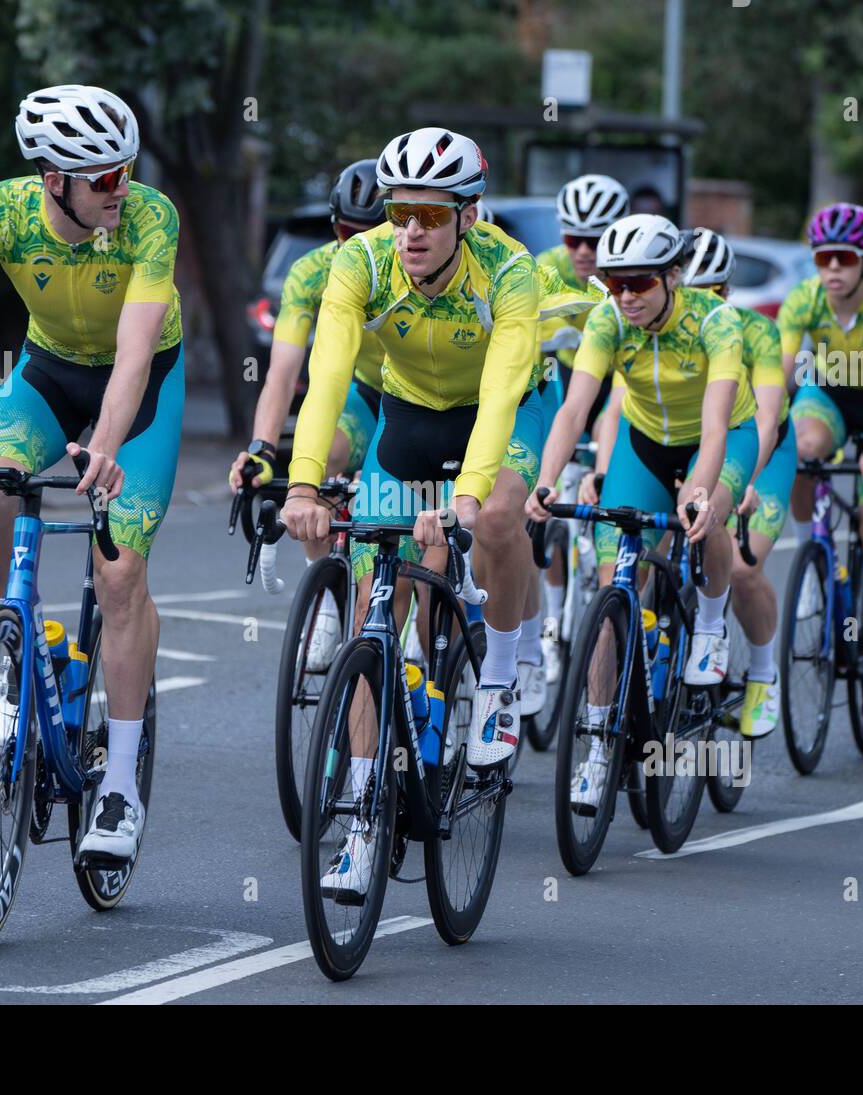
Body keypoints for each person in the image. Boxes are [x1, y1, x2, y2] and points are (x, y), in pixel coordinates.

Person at [0, 85, 182, 858]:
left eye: (127, 169)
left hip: (142, 385)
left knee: (117, 577)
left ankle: (118, 782)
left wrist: (107, 446)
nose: (124, 188)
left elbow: (135, 353)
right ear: (54, 180)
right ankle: (33, 639)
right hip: (48, 373)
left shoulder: (151, 218)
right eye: (105, 179)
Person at [279, 127, 549, 896]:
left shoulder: (511, 271)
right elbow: (327, 373)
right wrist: (302, 484)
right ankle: (364, 817)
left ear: (469, 216)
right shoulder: (358, 262)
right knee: (373, 612)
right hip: (406, 419)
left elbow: (501, 389)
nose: (410, 232)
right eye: (401, 214)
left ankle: (497, 684)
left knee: (497, 515)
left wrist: (464, 496)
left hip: (494, 418)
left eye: (430, 217)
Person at [529, 213, 758, 812]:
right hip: (644, 445)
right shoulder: (606, 319)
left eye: (639, 284)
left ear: (671, 276)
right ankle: (600, 749)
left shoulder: (716, 321)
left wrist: (701, 493)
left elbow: (713, 430)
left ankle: (709, 625)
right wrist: (547, 481)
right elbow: (574, 411)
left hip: (724, 437)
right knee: (613, 595)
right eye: (614, 283)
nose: (624, 296)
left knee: (705, 516)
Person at [227, 160, 387, 669]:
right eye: (345, 232)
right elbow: (281, 373)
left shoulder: (412, 267)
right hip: (364, 394)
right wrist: (261, 448)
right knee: (321, 465)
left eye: (370, 234)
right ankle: (324, 605)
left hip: (426, 402)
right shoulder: (311, 272)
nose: (355, 244)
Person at [780, 203, 863, 729]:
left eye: (843, 257)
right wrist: (767, 426)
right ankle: (811, 555)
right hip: (831, 395)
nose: (832, 268)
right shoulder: (804, 299)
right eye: (822, 258)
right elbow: (785, 374)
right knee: (797, 444)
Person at [680, 228, 793, 738]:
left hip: (758, 449)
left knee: (745, 568)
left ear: (725, 294)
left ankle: (763, 675)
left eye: (708, 294)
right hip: (688, 443)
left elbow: (766, 419)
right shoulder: (658, 324)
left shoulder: (756, 332)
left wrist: (745, 477)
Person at [529, 175, 629, 690]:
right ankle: (550, 622)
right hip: (563, 380)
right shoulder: (545, 267)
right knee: (548, 508)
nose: (585, 251)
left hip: (617, 382)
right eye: (575, 240)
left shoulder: (630, 271)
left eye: (596, 239)